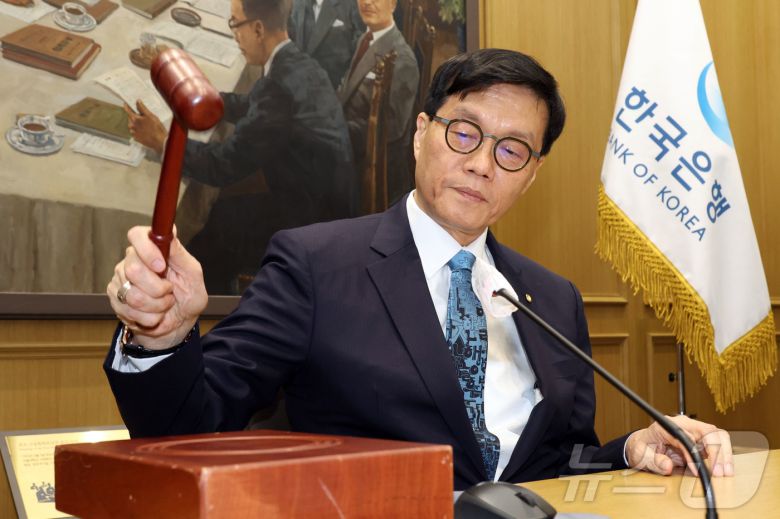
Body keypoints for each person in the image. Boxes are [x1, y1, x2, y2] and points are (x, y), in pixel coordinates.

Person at [107, 49, 733, 490]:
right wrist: (161, 339)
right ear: (420, 133)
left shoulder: (552, 298)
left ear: (532, 174)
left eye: (512, 150)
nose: (482, 164)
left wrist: (630, 450)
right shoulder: (316, 265)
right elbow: (188, 427)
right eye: (464, 133)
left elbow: (554, 464)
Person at [126, 0, 356, 294]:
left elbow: (222, 165)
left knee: (202, 242)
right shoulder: (295, 62)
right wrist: (197, 96)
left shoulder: (278, 87)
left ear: (258, 29)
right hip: (322, 203)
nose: (234, 35)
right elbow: (251, 105)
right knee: (217, 215)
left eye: (235, 23)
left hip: (310, 223)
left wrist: (162, 142)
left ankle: (212, 311)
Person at [337, 0, 418, 206]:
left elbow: (391, 127)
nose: (367, 2)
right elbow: (346, 93)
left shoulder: (402, 58)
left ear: (393, 4)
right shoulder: (366, 39)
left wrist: (339, 133)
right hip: (351, 151)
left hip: (375, 170)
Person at [289, 0, 365, 88]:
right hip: (297, 87)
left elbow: (360, 48)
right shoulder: (295, 3)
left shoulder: (352, 4)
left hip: (334, 89)